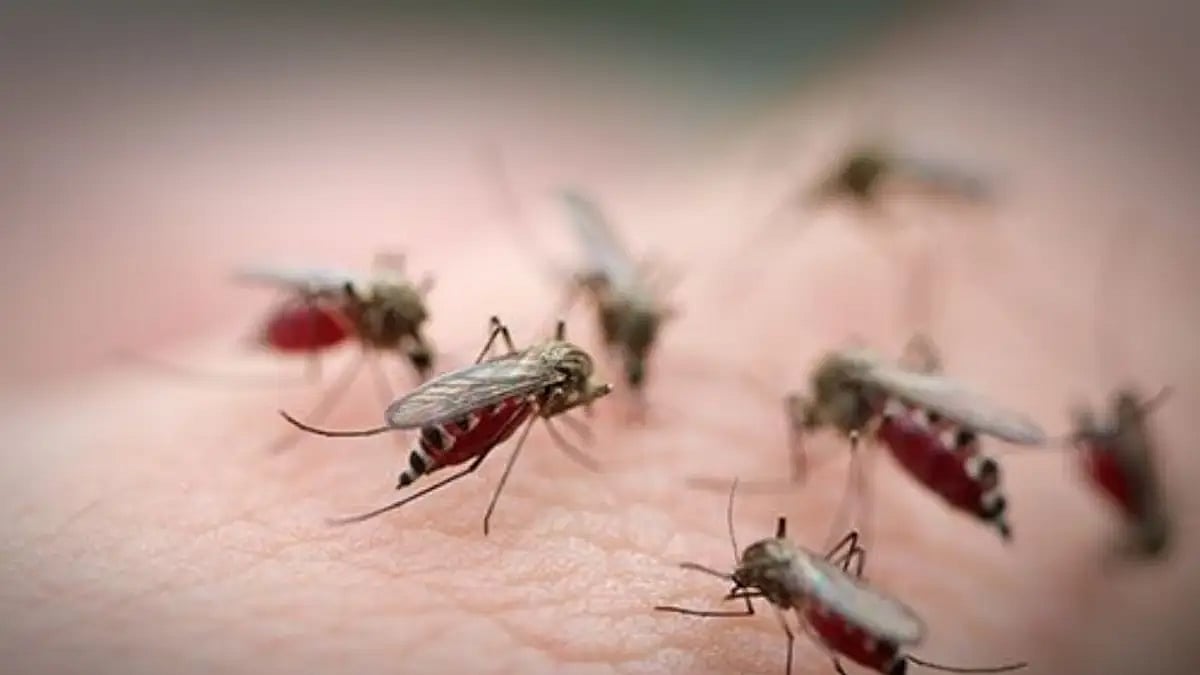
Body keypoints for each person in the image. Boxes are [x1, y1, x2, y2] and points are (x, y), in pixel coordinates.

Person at [3, 4, 1196, 673]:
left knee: (504, 403)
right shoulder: (544, 372)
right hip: (533, 374)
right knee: (500, 412)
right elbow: (513, 380)